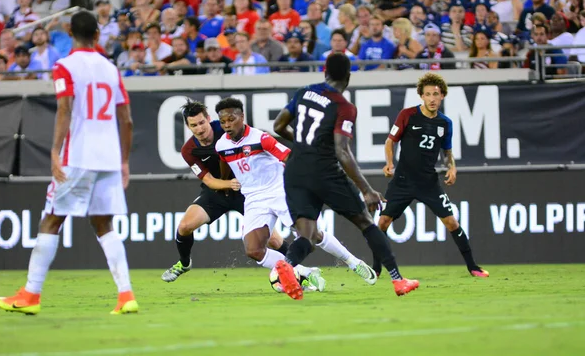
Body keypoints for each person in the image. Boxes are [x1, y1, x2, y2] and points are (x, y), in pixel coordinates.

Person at [0, 11, 137, 315]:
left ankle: (30, 295)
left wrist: (55, 151)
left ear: (69, 32)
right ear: (98, 35)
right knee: (104, 223)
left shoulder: (64, 66)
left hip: (79, 156)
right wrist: (124, 161)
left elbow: (64, 109)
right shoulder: (112, 69)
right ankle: (126, 295)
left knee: (52, 219)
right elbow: (127, 119)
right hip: (109, 157)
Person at [272, 53, 420, 300]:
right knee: (365, 222)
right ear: (348, 77)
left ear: (324, 71)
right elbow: (341, 150)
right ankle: (398, 280)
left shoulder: (304, 92)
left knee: (306, 234)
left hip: (295, 171)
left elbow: (278, 126)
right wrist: (366, 189)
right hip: (325, 172)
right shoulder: (344, 107)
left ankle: (287, 264)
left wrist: (303, 146)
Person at [215, 97, 377, 293]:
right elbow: (224, 161)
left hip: (279, 191)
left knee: (312, 234)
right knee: (254, 250)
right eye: (223, 121)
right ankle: (305, 272)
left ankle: (353, 262)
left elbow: (288, 156)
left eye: (231, 119)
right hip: (254, 199)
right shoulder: (221, 145)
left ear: (242, 117)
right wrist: (223, 184)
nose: (227, 125)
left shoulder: (261, 138)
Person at [373, 72, 489, 279]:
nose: (432, 98)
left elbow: (447, 152)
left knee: (452, 223)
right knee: (382, 223)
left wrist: (451, 167)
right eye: (428, 94)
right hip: (403, 181)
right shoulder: (407, 115)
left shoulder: (445, 123)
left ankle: (473, 266)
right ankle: (376, 267)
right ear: (421, 96)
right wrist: (389, 163)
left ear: (442, 96)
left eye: (436, 94)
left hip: (428, 182)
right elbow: (390, 141)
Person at [162, 100, 284, 282]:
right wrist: (229, 184)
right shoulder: (188, 150)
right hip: (218, 191)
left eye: (202, 123)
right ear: (188, 127)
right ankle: (184, 262)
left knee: (273, 240)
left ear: (209, 120)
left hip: (246, 192)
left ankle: (298, 269)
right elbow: (209, 181)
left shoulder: (227, 130)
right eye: (193, 125)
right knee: (185, 226)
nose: (200, 129)